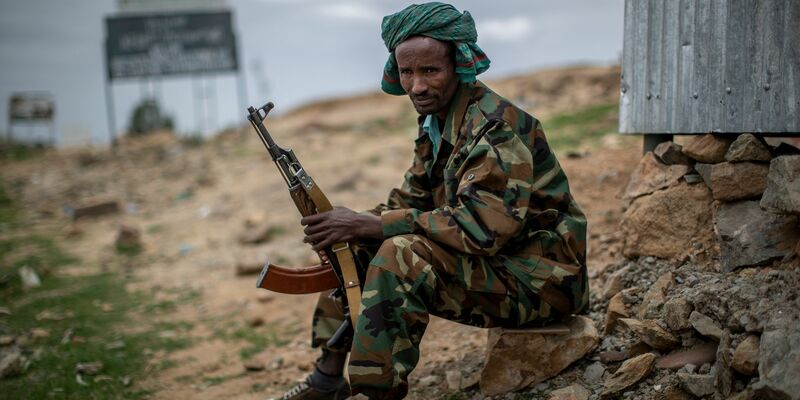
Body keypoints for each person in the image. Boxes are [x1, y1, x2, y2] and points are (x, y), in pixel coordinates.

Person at [279, 3, 588, 399]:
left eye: (430, 71)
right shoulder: (439, 120)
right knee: (355, 245)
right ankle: (327, 377)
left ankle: (379, 391)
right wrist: (347, 223)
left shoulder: (494, 129)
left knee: (399, 255)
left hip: (541, 282)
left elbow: (481, 230)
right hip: (501, 268)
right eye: (407, 72)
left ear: (458, 66)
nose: (417, 86)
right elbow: (412, 197)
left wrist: (374, 225)